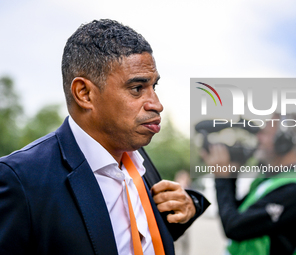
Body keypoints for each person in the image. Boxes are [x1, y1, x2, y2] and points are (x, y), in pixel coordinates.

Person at [0, 19, 209, 255]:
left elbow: (141, 237)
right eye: (137, 88)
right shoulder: (20, 179)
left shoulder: (138, 157)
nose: (157, 105)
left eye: (154, 87)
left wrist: (189, 205)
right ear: (84, 93)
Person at [201, 113, 296, 255]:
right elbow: (235, 212)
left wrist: (222, 178)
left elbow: (234, 227)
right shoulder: (270, 181)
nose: (258, 138)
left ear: (284, 142)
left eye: (265, 133)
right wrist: (231, 174)